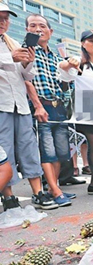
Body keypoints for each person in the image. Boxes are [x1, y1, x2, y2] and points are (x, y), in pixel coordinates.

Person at [0, 3, 57, 210]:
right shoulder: (10, 49)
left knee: (29, 148)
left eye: (6, 18)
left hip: (21, 105)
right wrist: (10, 58)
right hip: (2, 105)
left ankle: (38, 192)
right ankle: (8, 196)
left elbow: (25, 76)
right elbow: (8, 62)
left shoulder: (12, 42)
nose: (3, 22)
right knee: (4, 151)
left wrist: (28, 62)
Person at [24, 14, 75, 207]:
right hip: (41, 107)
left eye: (42, 26)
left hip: (58, 107)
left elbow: (62, 86)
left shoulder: (55, 57)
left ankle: (56, 187)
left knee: (61, 152)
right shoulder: (26, 51)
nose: (38, 29)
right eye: (33, 25)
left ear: (50, 32)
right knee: (47, 152)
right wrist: (37, 106)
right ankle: (54, 190)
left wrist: (68, 71)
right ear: (27, 29)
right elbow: (26, 81)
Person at [59, 30, 93, 197]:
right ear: (83, 43)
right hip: (87, 109)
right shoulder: (79, 64)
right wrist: (68, 64)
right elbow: (64, 76)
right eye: (91, 41)